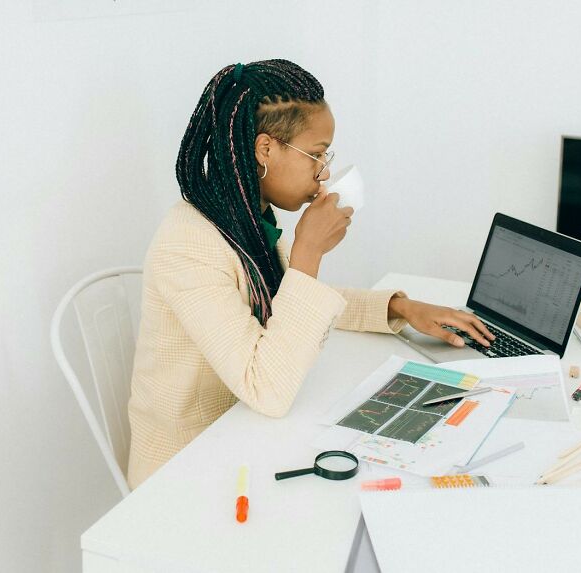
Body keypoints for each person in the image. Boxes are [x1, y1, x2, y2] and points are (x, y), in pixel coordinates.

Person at [127, 59, 494, 489]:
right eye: (316, 155)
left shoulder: (245, 213)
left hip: (243, 437)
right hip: (185, 471)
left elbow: (284, 299)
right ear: (265, 149)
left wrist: (401, 308)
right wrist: (308, 253)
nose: (323, 172)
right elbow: (265, 388)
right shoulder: (189, 245)